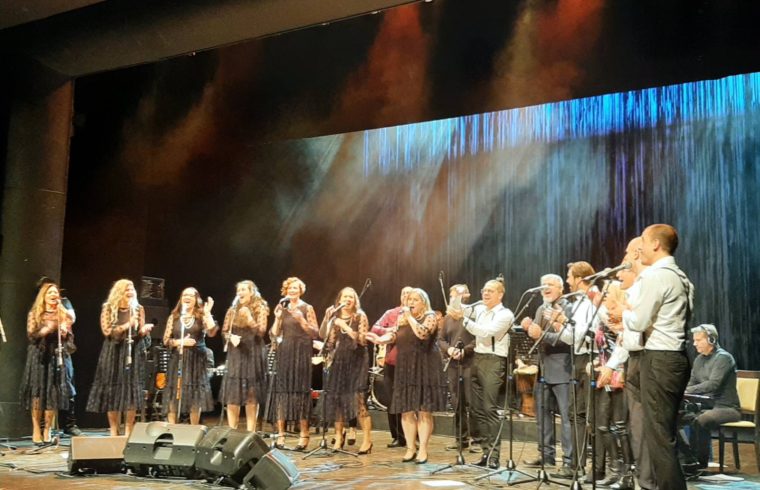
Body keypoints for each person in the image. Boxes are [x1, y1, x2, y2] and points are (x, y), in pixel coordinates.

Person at [608, 223, 694, 490]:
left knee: (659, 439)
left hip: (659, 359)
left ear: (656, 244)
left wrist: (622, 311)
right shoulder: (680, 276)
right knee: (662, 434)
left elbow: (639, 320)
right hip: (673, 358)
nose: (639, 249)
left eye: (643, 242)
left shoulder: (656, 276)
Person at [367, 288, 447, 464]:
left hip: (425, 366)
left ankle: (423, 449)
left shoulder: (430, 316)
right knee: (406, 409)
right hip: (405, 366)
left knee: (424, 410)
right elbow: (395, 335)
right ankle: (410, 448)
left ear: (423, 302)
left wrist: (410, 317)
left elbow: (422, 333)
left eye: (415, 299)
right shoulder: (402, 318)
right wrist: (380, 339)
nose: (411, 302)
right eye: (409, 299)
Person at [448, 278, 513, 469]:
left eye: (490, 291)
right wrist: (457, 296)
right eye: (484, 290)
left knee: (489, 408)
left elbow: (486, 332)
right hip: (478, 359)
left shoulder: (505, 314)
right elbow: (456, 309)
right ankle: (486, 452)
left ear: (500, 294)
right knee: (476, 409)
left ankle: (494, 455)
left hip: (494, 361)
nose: (485, 293)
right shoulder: (480, 309)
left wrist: (464, 319)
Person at [87, 279, 153, 437]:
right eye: (126, 290)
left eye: (132, 289)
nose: (130, 292)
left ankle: (129, 429)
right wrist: (127, 325)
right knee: (113, 390)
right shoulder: (109, 308)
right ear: (118, 292)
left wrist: (144, 330)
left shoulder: (138, 309)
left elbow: (139, 333)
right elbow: (107, 331)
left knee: (131, 390)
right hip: (113, 352)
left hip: (133, 352)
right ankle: (114, 429)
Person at [522, 274, 574, 475]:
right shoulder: (540, 308)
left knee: (567, 418)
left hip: (563, 368)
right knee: (542, 415)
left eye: (550, 284)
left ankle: (569, 461)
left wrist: (540, 334)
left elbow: (568, 338)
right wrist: (528, 329)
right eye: (543, 284)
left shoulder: (568, 307)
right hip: (543, 368)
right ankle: (546, 456)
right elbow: (537, 337)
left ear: (561, 288)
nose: (546, 288)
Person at [19, 281, 76, 444]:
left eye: (56, 293)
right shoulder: (35, 313)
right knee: (38, 393)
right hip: (39, 355)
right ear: (43, 296)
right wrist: (47, 328)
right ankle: (36, 429)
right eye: (50, 292)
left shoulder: (62, 313)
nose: (54, 295)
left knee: (52, 393)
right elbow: (31, 335)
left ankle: (47, 429)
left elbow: (70, 333)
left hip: (56, 355)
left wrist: (64, 332)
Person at [320, 287, 372, 453]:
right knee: (338, 400)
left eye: (351, 297)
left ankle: (367, 440)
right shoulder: (335, 317)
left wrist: (345, 327)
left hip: (357, 360)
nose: (348, 299)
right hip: (340, 360)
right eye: (345, 297)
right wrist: (327, 319)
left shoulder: (360, 316)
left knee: (359, 400)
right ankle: (338, 437)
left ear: (355, 300)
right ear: (339, 300)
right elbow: (328, 340)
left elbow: (362, 340)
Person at [269, 276, 318, 451]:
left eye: (295, 288)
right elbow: (274, 333)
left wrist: (301, 319)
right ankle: (281, 434)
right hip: (286, 351)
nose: (292, 290)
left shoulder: (307, 308)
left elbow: (315, 333)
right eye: (289, 288)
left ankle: (304, 434)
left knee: (300, 392)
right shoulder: (281, 307)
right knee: (283, 393)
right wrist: (277, 318)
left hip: (301, 352)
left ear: (300, 290)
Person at [682, 324, 741, 469]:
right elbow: (691, 383)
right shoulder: (699, 360)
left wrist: (685, 391)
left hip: (727, 408)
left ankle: (700, 463)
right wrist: (683, 390)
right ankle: (686, 458)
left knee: (702, 419)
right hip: (707, 406)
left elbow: (713, 384)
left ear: (711, 340)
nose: (694, 344)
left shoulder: (724, 358)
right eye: (694, 340)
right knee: (679, 418)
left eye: (698, 340)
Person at [162, 287, 218, 425]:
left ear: (196, 299)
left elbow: (211, 332)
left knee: (195, 395)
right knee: (174, 394)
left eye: (191, 295)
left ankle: (193, 429)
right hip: (178, 360)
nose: (187, 297)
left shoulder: (200, 316)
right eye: (184, 295)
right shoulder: (174, 317)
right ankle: (172, 428)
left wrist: (207, 313)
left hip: (196, 361)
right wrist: (179, 342)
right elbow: (166, 340)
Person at [220, 280, 269, 432]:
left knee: (251, 393)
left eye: (243, 290)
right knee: (233, 393)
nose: (240, 292)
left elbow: (261, 332)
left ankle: (250, 432)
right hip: (236, 353)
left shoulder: (260, 308)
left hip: (253, 352)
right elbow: (224, 331)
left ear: (251, 292)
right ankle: (231, 430)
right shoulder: (232, 310)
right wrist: (229, 337)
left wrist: (249, 318)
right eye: (238, 290)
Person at [36, 276, 82, 437]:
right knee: (45, 388)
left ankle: (70, 424)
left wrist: (63, 321)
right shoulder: (39, 308)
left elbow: (72, 318)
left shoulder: (64, 302)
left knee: (68, 385)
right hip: (45, 351)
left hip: (63, 349)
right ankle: (43, 428)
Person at [370, 286, 414, 449]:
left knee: (409, 400)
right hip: (392, 362)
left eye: (410, 294)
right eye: (404, 293)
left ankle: (412, 436)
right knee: (392, 399)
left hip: (411, 363)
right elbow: (375, 328)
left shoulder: (417, 315)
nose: (406, 296)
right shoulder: (391, 313)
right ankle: (397, 436)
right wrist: (391, 329)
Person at [437, 284, 477, 452]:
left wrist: (464, 350)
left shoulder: (474, 314)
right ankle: (461, 438)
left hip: (470, 362)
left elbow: (479, 338)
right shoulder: (448, 318)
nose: (454, 298)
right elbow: (441, 339)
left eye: (458, 295)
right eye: (452, 295)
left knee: (472, 402)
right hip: (454, 364)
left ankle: (477, 439)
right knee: (457, 401)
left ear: (466, 296)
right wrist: (449, 350)